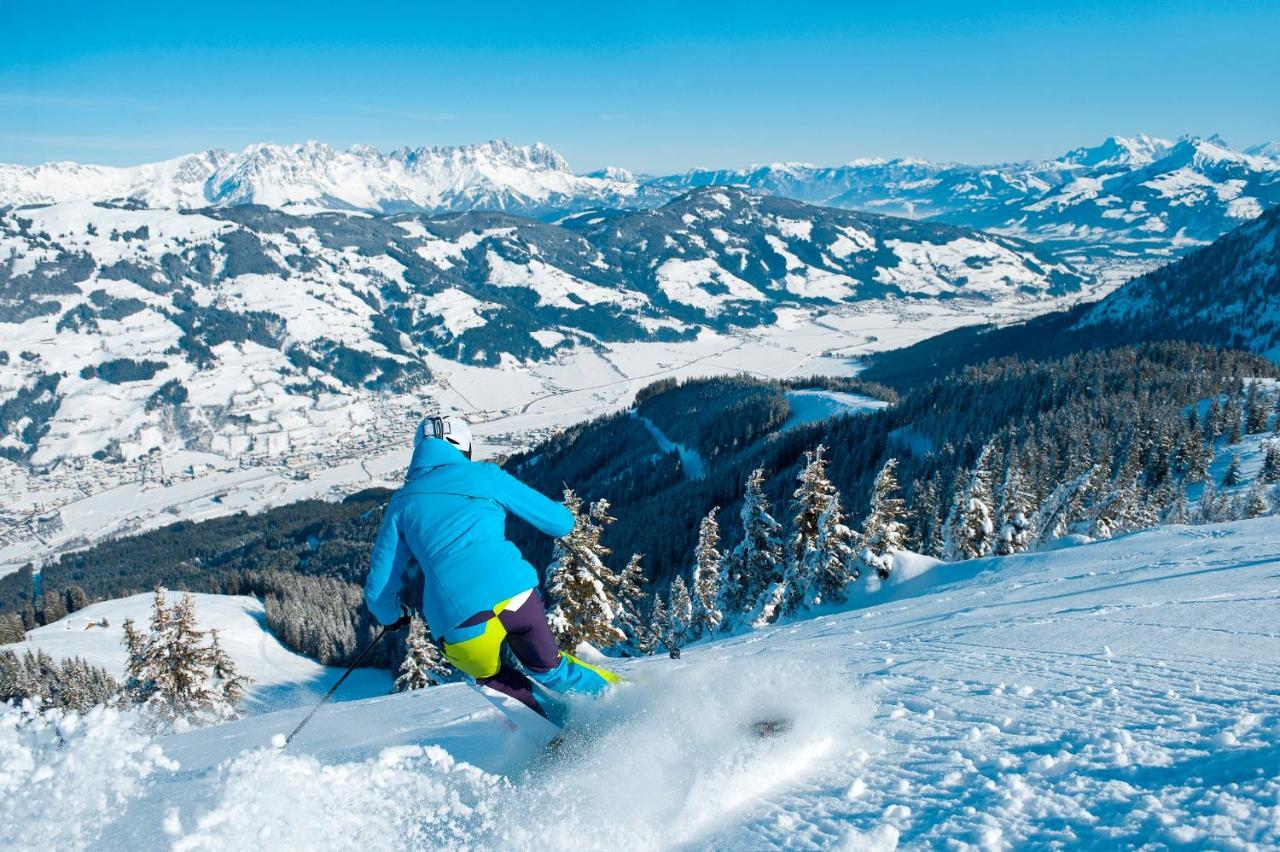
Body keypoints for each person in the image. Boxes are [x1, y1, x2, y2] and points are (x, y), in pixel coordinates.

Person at [364, 413, 619, 718]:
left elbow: (378, 591)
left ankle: (559, 729)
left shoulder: (402, 503)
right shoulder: (488, 476)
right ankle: (624, 701)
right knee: (551, 669)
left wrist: (393, 617)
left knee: (491, 677)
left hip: (457, 620)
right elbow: (560, 522)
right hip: (517, 597)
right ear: (463, 446)